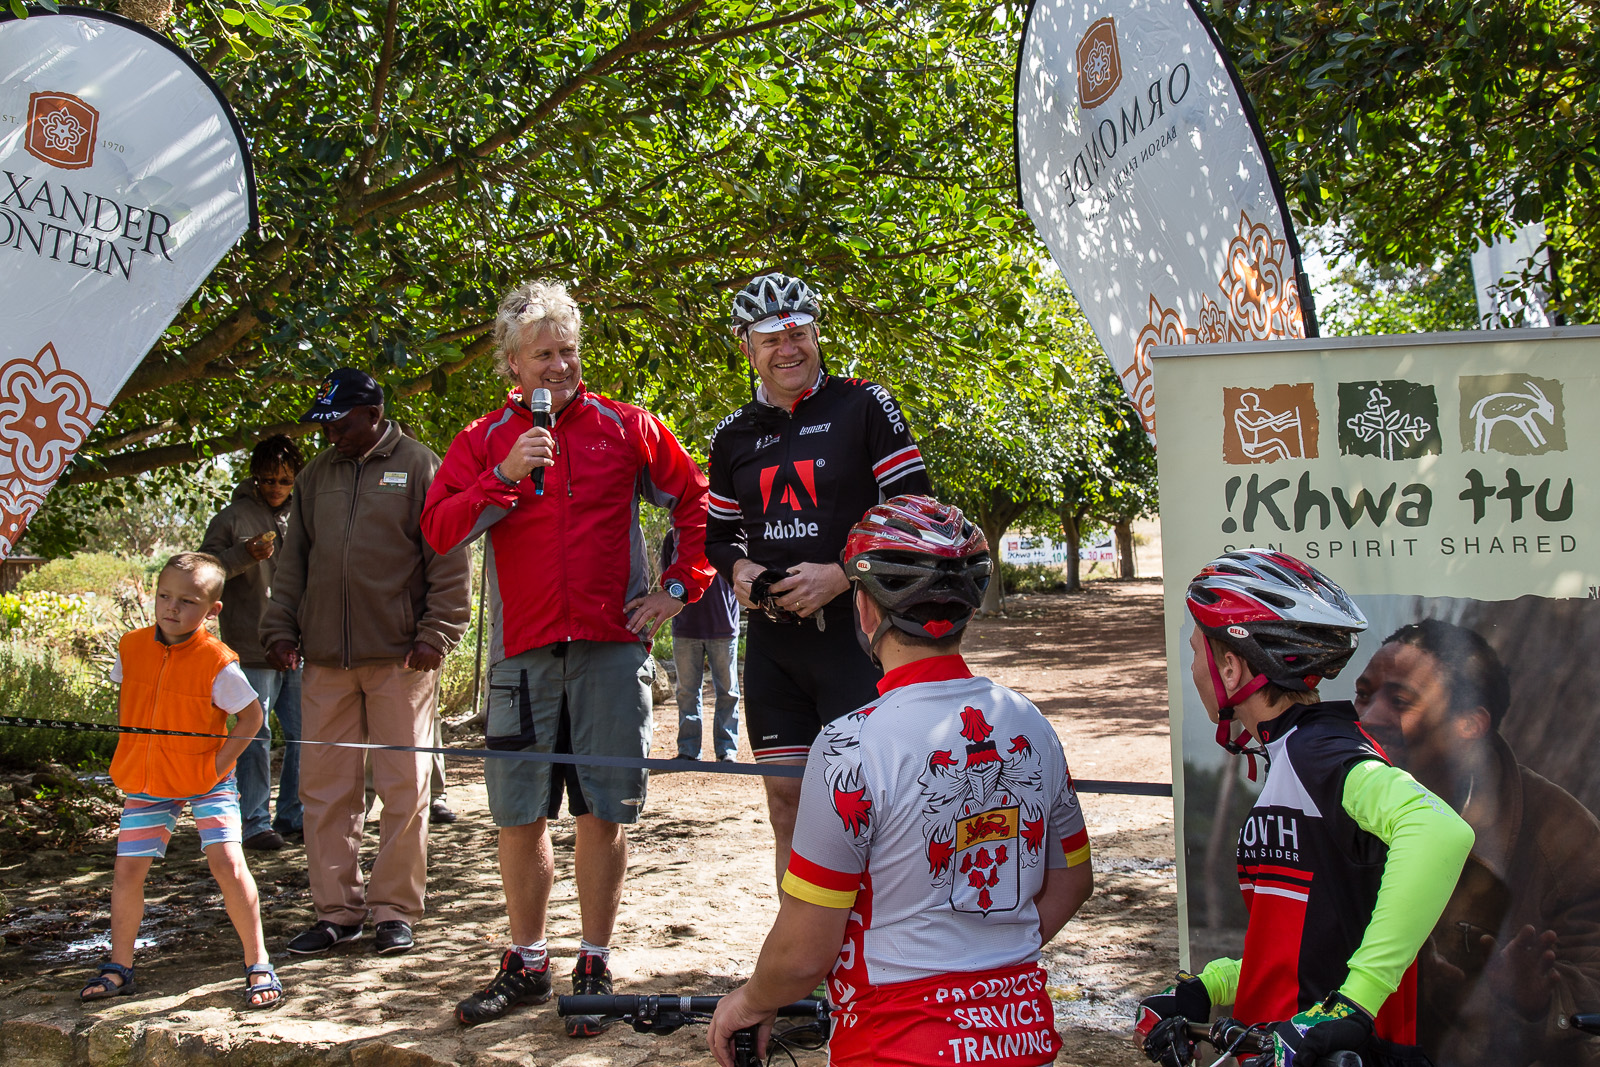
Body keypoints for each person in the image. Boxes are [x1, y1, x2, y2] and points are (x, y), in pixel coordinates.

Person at [420, 280, 713, 1035]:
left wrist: (680, 586)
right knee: (518, 817)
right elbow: (439, 529)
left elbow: (696, 498)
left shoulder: (628, 425)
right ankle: (525, 960)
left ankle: (593, 959)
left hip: (612, 652)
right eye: (542, 353)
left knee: (602, 810)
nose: (558, 365)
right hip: (521, 659)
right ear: (511, 364)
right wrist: (504, 476)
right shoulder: (484, 439)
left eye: (568, 350)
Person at [708, 496, 1094, 1067]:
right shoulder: (1027, 721)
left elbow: (805, 954)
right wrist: (985, 962)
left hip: (895, 1043)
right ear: (967, 606)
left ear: (864, 609)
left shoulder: (849, 745)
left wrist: (748, 1002)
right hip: (1023, 1034)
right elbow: (1073, 882)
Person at [1136, 550, 1475, 1067]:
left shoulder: (1318, 752)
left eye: (1195, 653)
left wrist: (1353, 1004)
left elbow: (1438, 830)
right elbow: (1312, 939)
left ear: (1229, 667)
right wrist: (1212, 984)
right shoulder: (1294, 755)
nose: (1192, 670)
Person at [706, 272, 932, 883]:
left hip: (858, 643)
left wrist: (842, 573)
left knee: (872, 809)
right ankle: (807, 968)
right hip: (775, 650)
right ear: (746, 347)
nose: (788, 349)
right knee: (789, 810)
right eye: (770, 337)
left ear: (816, 334)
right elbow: (718, 537)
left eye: (799, 333)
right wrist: (740, 568)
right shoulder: (732, 437)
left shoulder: (864, 405)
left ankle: (881, 963)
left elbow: (916, 516)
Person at [261, 367, 471, 958]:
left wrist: (438, 633)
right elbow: (292, 564)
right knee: (326, 791)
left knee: (405, 788)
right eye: (324, 425)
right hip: (325, 659)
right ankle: (336, 913)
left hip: (402, 658)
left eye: (340, 422)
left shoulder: (423, 466)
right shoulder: (313, 478)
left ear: (374, 415)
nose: (331, 435)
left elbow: (448, 558)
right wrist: (279, 628)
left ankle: (393, 911)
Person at [1355, 619, 1600, 1067]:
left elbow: (1592, 1001)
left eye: (1401, 701)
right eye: (1364, 694)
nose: (1368, 718)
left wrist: (1535, 1001)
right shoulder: (1327, 795)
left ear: (1470, 723)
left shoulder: (1566, 839)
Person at [80, 552, 283, 1009]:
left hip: (206, 779)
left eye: (188, 601)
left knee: (228, 862)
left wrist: (217, 766)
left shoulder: (217, 661)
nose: (172, 607)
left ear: (212, 611)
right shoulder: (130, 647)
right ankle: (119, 966)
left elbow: (252, 718)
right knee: (127, 872)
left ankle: (258, 962)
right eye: (164, 596)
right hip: (146, 781)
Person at [200, 434, 306, 850]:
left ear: (295, 478)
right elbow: (205, 573)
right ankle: (255, 822)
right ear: (254, 478)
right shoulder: (232, 517)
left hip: (301, 644)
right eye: (267, 479)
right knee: (254, 736)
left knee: (305, 736)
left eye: (283, 480)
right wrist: (243, 555)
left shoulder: (307, 514)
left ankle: (292, 815)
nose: (275, 487)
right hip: (252, 643)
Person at [661, 528, 740, 762]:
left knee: (728, 692)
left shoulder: (729, 533)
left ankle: (727, 751)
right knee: (686, 692)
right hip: (686, 626)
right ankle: (688, 750)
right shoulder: (673, 537)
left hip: (723, 625)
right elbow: (667, 577)